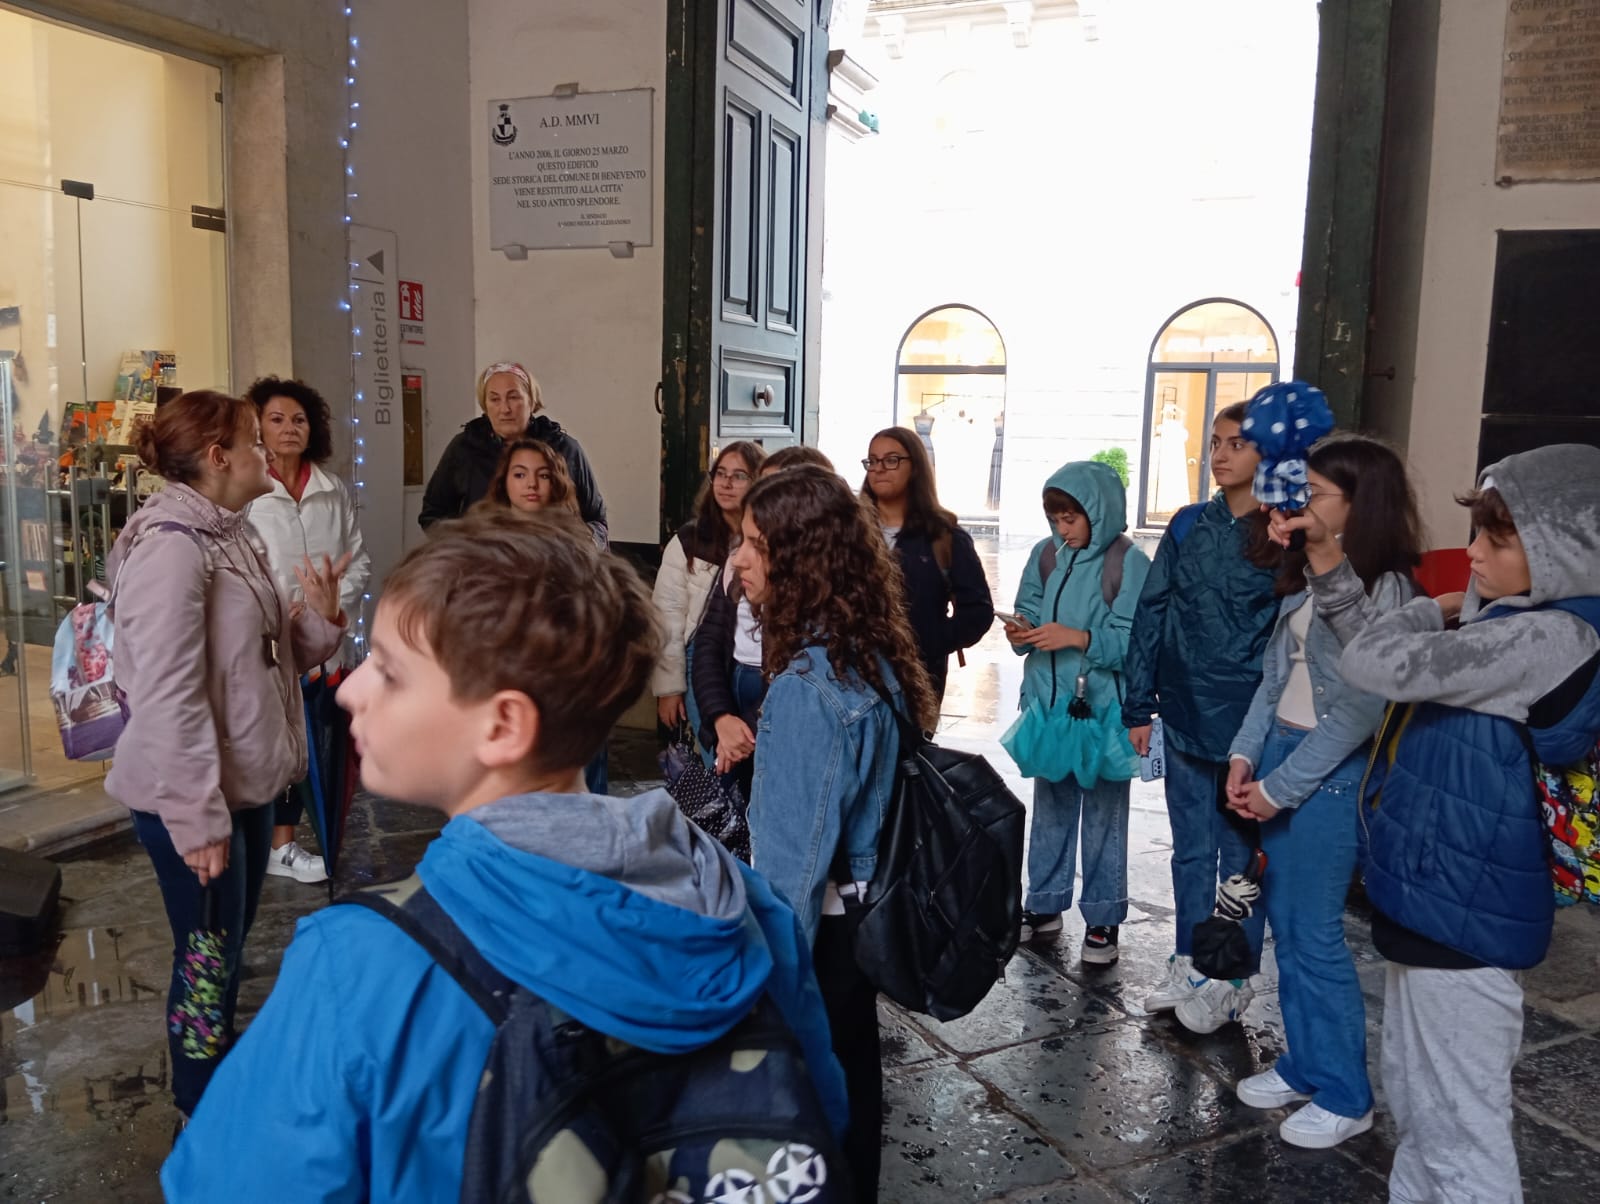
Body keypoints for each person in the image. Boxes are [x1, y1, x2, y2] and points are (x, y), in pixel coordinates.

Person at [162, 510, 846, 1201]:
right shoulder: (745, 904)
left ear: (503, 724)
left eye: (391, 672)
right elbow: (822, 1121)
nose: (350, 688)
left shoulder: (356, 966)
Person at [1282, 443, 1600, 1200]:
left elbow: (1378, 665)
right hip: (1444, 894)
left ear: (1567, 552)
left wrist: (1434, 605)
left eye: (1500, 540)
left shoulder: (1548, 636)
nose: (1475, 554)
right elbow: (1380, 649)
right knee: (1420, 1100)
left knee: (1460, 1126)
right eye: (1477, 533)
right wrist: (1329, 561)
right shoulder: (1513, 619)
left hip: (1468, 909)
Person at [106, 390, 347, 1129]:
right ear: (219, 458)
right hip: (196, 799)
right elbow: (167, 694)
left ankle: (215, 1076)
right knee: (207, 959)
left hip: (240, 786)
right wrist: (195, 817)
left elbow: (262, 654)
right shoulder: (173, 548)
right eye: (252, 440)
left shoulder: (229, 533)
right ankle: (200, 1106)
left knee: (224, 948)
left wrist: (321, 620)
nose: (266, 451)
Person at [731, 466, 937, 1202]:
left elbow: (790, 879)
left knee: (813, 1112)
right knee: (854, 1086)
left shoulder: (807, 689)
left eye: (756, 544)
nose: (739, 560)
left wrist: (762, 990)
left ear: (801, 558)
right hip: (861, 923)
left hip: (821, 940)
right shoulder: (866, 653)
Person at [1223, 432, 1422, 1150]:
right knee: (1286, 928)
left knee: (1314, 934)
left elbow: (1361, 710)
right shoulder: (1308, 575)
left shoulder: (1387, 591)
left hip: (1330, 772)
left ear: (1360, 504)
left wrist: (1281, 786)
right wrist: (1245, 755)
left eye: (1315, 493)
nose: (1299, 502)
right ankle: (1306, 1064)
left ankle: (1345, 1093)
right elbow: (1275, 679)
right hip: (1282, 752)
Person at [1121, 401, 1281, 1023]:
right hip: (1185, 710)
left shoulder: (1281, 532)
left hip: (1249, 717)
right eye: (1215, 442)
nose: (1219, 454)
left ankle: (1231, 973)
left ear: (1268, 454)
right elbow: (1152, 612)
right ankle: (1190, 959)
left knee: (1241, 855)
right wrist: (1139, 704)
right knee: (1189, 850)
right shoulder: (1189, 524)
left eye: (1236, 443)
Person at [1005, 462, 1151, 965]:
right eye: (1055, 519)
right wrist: (1021, 631)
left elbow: (1135, 642)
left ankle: (1103, 918)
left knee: (1106, 815)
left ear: (1098, 510)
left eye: (1071, 518)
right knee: (1051, 807)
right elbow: (1027, 606)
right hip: (1049, 706)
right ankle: (1044, 904)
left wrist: (1079, 638)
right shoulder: (1044, 555)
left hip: (1103, 710)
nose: (1062, 528)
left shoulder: (1128, 563)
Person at [244, 375, 372, 885]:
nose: (289, 428)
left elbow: (357, 561)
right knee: (274, 745)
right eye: (276, 419)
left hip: (322, 642)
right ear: (258, 427)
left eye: (298, 419)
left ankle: (289, 840)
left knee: (312, 744)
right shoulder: (250, 490)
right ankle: (275, 844)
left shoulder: (331, 488)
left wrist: (328, 606)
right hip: (267, 643)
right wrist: (277, 610)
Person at [471, 437, 611, 793]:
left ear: (556, 481)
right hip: (510, 678)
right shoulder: (486, 542)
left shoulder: (579, 540)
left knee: (582, 784)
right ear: (504, 481)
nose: (531, 484)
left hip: (572, 679)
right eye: (520, 474)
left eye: (542, 475)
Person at [691, 446, 836, 790]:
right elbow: (708, 640)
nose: (740, 558)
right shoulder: (743, 563)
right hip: (734, 692)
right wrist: (721, 717)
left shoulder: (827, 616)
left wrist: (747, 731)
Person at [860, 426, 993, 701]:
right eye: (872, 460)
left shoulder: (945, 537)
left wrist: (928, 643)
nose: (879, 468)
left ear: (916, 467)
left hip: (917, 681)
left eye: (891, 460)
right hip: (853, 677)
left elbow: (978, 612)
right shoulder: (848, 532)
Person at [418, 360, 607, 543]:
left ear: (531, 401)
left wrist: (579, 546)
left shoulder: (564, 448)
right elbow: (433, 514)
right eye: (494, 399)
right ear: (485, 405)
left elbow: (597, 522)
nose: (505, 409)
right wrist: (466, 549)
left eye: (513, 397)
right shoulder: (464, 448)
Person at [652, 441, 765, 740]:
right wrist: (669, 688)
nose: (726, 483)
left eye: (739, 476)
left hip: (749, 659)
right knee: (716, 747)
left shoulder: (768, 541)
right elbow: (666, 617)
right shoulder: (690, 539)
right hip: (700, 659)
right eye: (720, 474)